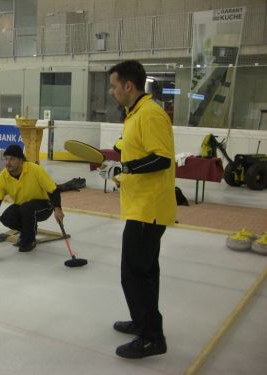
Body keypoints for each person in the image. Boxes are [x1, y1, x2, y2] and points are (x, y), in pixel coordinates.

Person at [107, 60, 176, 358]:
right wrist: (121, 174)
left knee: (133, 274)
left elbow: (163, 159)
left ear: (128, 86)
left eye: (113, 86)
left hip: (149, 209)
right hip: (140, 205)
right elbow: (139, 157)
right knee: (145, 272)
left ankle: (152, 338)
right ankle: (142, 322)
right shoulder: (133, 114)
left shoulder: (150, 114)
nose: (111, 92)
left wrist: (127, 166)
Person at [0, 144, 64, 252]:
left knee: (26, 209)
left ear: (21, 160)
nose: (8, 163)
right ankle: (30, 230)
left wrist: (57, 208)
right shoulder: (2, 178)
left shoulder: (35, 170)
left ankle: (29, 240)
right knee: (6, 217)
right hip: (23, 206)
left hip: (44, 206)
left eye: (12, 159)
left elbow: (54, 190)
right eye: (6, 159)